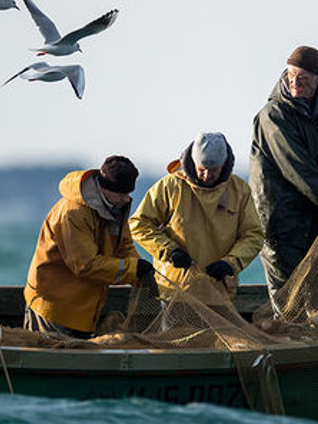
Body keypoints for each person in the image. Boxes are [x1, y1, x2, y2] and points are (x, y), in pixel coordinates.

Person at [250, 46, 318, 336]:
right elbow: (296, 166)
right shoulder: (272, 116)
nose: (296, 83)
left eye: (304, 79)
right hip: (280, 219)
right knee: (290, 294)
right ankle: (292, 346)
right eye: (292, 75)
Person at [23, 155, 155, 339]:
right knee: (54, 360)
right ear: (104, 188)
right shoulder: (72, 214)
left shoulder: (116, 206)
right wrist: (132, 270)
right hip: (53, 308)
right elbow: (85, 264)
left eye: (128, 194)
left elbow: (124, 246)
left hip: (82, 310)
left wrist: (141, 273)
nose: (126, 200)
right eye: (121, 194)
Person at [129, 132, 264, 304]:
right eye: (202, 169)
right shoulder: (170, 185)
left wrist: (231, 263)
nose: (207, 175)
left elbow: (253, 235)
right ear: (193, 162)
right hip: (174, 291)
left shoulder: (239, 190)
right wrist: (170, 251)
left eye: (213, 170)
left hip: (220, 291)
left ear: (224, 165)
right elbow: (139, 224)